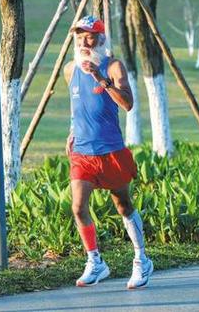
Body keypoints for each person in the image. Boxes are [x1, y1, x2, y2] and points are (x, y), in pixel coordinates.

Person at [64, 15, 153, 289]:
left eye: (89, 36)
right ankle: (95, 261)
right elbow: (76, 104)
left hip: (110, 150)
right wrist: (71, 129)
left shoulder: (113, 66)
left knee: (123, 206)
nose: (83, 41)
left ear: (101, 38)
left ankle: (141, 259)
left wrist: (100, 78)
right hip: (82, 151)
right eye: (79, 36)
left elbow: (128, 104)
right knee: (78, 207)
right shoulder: (70, 69)